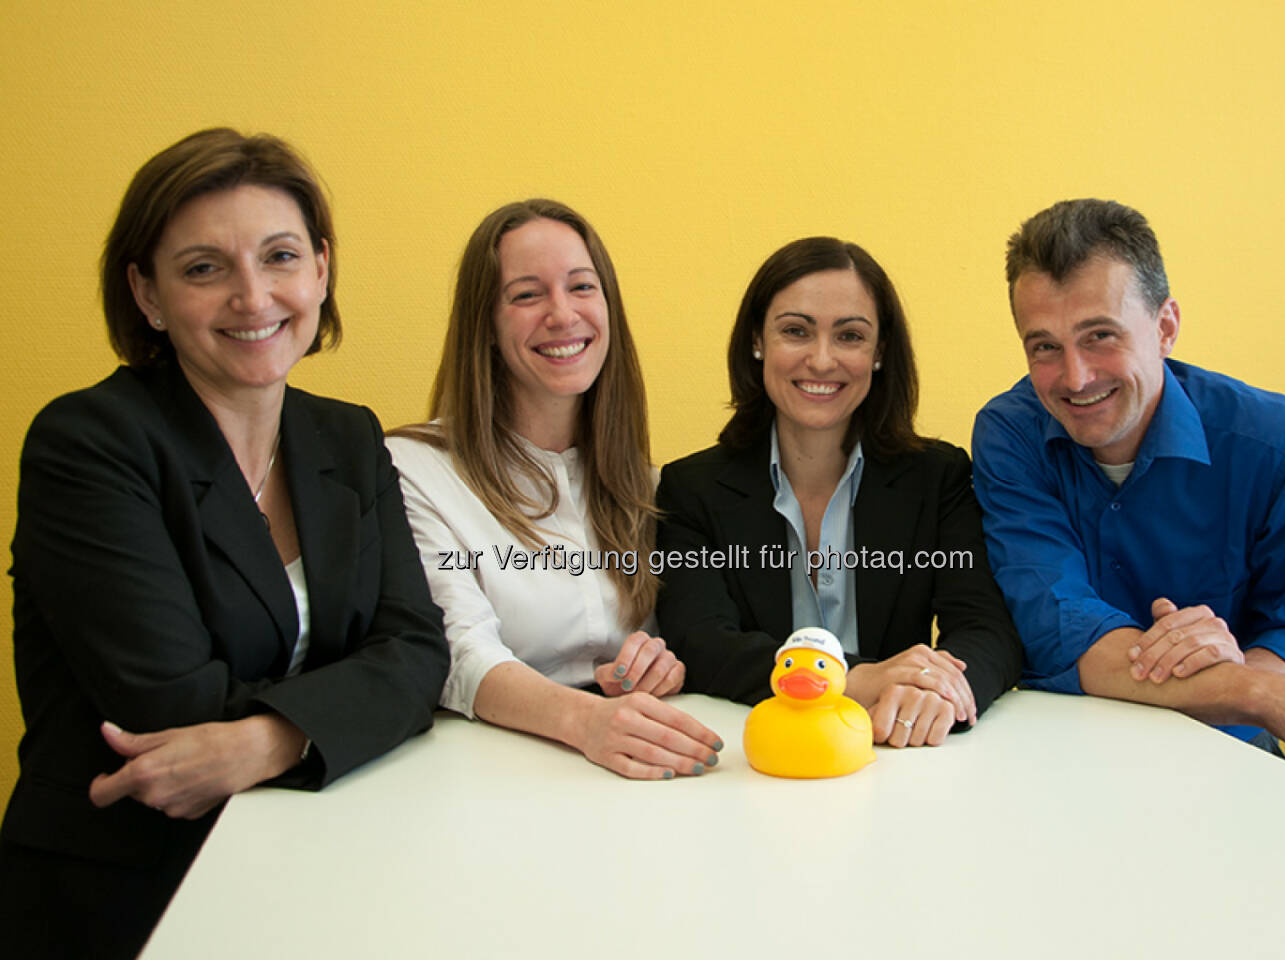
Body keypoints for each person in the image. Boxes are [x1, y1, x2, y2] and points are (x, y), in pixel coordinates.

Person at [0, 129, 450, 958]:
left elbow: (419, 650)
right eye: (205, 268)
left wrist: (272, 737)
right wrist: (344, 710)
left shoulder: (347, 437)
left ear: (320, 269)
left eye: (279, 256)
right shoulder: (90, 443)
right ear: (147, 295)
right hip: (126, 890)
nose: (253, 296)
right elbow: (169, 709)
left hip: (314, 857)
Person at [972, 197, 1285, 783]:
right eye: (1044, 347)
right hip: (1066, 751)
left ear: (1165, 328)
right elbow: (1059, 626)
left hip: (1229, 748)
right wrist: (1253, 691)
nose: (1075, 377)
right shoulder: (1010, 433)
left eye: (1100, 336)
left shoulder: (1281, 443)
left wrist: (1244, 681)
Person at [387, 199, 722, 781]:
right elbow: (458, 653)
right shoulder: (413, 469)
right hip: (479, 781)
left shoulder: (648, 485)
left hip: (630, 777)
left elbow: (662, 642)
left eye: (581, 287)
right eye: (526, 295)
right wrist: (587, 721)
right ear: (485, 326)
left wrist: (653, 667)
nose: (562, 315)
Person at [656, 237, 1024, 747]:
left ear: (879, 353)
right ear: (756, 342)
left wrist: (942, 693)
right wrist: (849, 679)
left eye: (850, 336)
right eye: (795, 331)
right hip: (751, 752)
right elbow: (702, 643)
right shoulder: (689, 488)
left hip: (895, 750)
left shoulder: (938, 478)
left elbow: (988, 631)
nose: (822, 360)